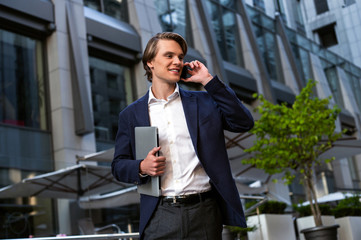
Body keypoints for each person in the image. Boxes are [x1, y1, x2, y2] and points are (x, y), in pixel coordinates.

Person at [112, 32, 254, 240]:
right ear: (150, 62)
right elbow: (118, 166)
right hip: (159, 214)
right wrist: (142, 167)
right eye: (169, 56)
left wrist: (207, 80)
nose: (177, 61)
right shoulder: (131, 115)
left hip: (205, 212)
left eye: (180, 56)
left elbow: (244, 122)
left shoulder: (205, 101)